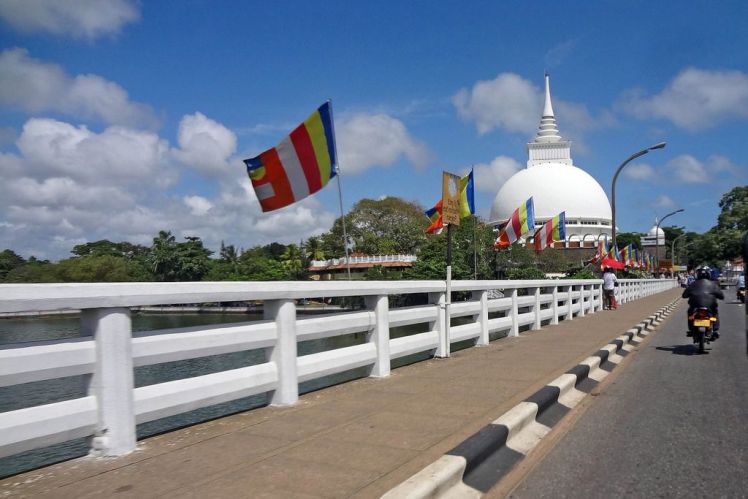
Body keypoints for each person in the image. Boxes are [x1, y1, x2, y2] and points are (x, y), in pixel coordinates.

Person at [682, 266, 724, 339]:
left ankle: (691, 330)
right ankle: (716, 331)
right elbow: (721, 296)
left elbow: (684, 295)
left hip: (695, 306)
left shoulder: (693, 284)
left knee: (690, 313)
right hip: (710, 306)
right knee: (715, 313)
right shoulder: (713, 284)